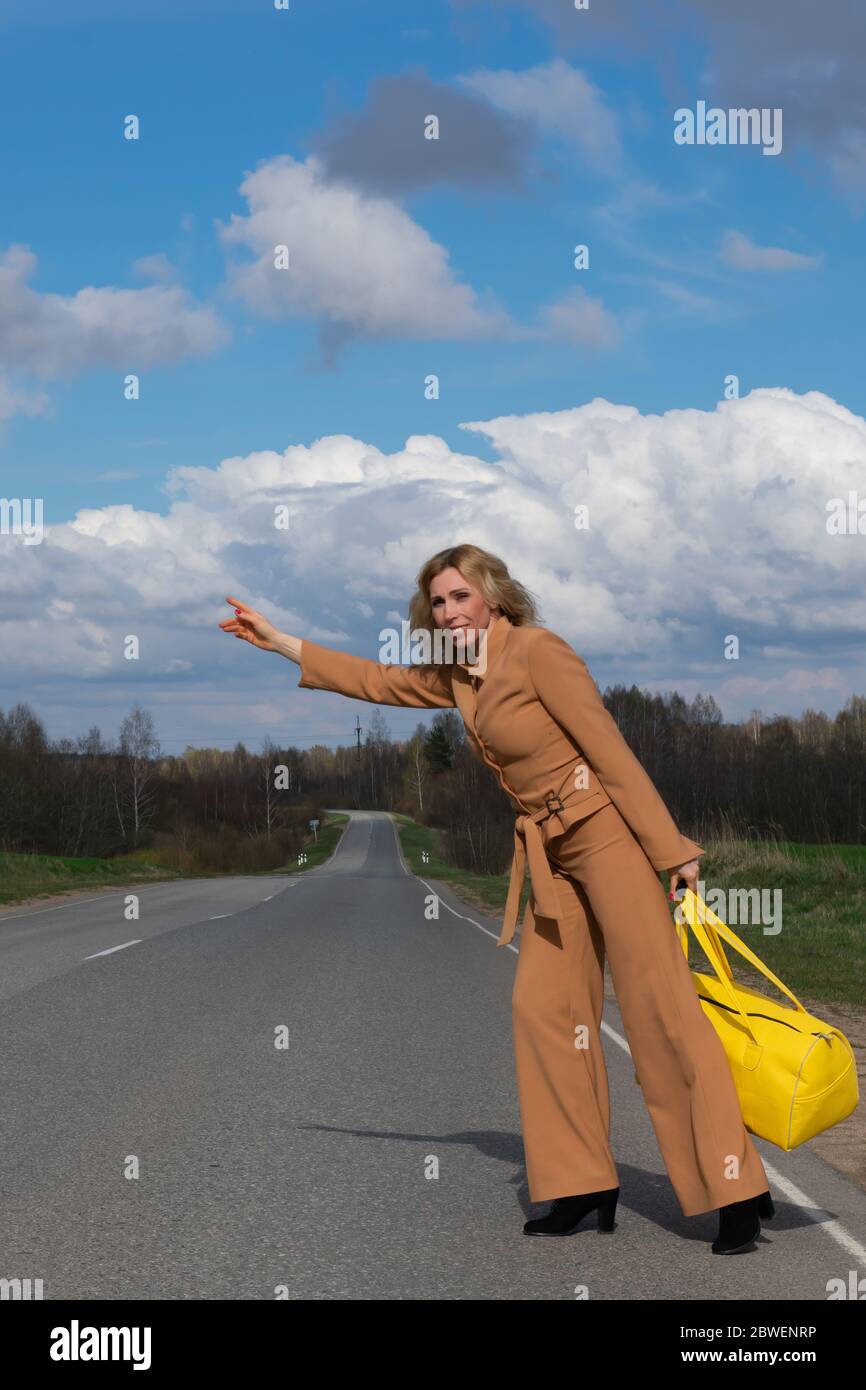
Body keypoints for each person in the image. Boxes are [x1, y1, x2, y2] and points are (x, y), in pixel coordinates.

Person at [218, 543, 773, 1254]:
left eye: (460, 597)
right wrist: (278, 642)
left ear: (494, 598)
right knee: (544, 1011)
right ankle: (581, 1185)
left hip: (607, 838)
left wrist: (673, 852)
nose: (449, 611)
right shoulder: (458, 678)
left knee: (659, 1010)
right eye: (438, 603)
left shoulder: (539, 652)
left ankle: (733, 1189)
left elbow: (610, 751)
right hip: (549, 853)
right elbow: (375, 680)